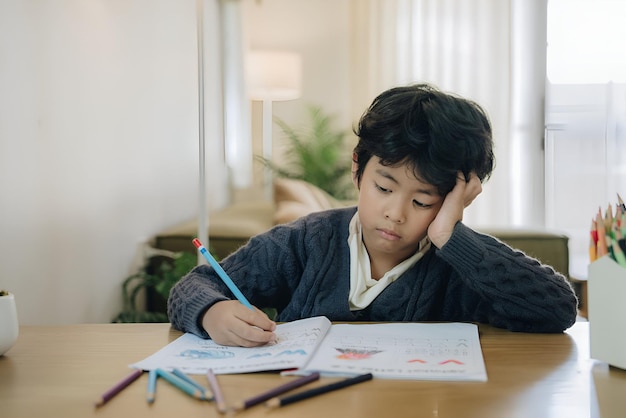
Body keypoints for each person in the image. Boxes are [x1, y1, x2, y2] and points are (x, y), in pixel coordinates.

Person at [167, 83, 579, 347]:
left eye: (423, 201)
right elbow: (194, 286)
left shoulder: (457, 267)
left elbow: (557, 309)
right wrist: (212, 312)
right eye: (383, 187)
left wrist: (453, 236)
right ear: (357, 169)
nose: (395, 214)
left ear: (456, 198)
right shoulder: (306, 242)